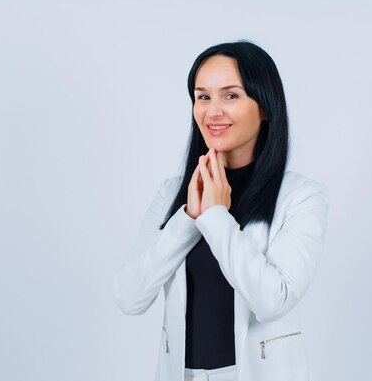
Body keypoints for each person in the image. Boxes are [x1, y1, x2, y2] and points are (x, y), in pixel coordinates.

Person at [113, 40, 330, 381]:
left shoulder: (300, 196)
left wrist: (215, 218)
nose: (213, 111)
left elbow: (272, 300)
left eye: (231, 96)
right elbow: (129, 296)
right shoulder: (173, 194)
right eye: (203, 96)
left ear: (265, 107)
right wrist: (188, 219)